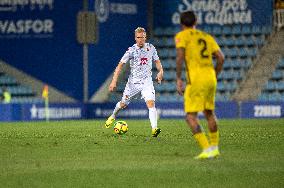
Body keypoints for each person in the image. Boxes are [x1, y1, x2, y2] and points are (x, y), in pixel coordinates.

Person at [175, 11, 225, 159]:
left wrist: (178, 78)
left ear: (182, 24)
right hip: (210, 78)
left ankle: (206, 149)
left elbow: (180, 57)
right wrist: (214, 74)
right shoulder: (207, 37)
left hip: (195, 79)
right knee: (209, 112)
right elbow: (221, 58)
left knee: (190, 117)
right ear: (196, 22)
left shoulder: (181, 36)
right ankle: (215, 148)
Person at [105, 27, 164, 137]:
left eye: (142, 37)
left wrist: (161, 71)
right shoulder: (131, 50)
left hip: (147, 82)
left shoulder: (151, 48)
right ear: (135, 38)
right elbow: (119, 66)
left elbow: (157, 62)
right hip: (133, 84)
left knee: (151, 104)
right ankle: (113, 116)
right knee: (123, 104)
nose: (140, 40)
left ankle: (154, 129)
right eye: (138, 37)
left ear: (145, 37)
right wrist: (113, 81)